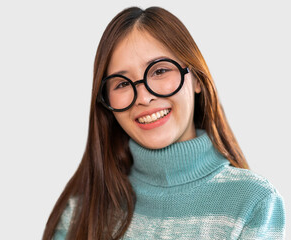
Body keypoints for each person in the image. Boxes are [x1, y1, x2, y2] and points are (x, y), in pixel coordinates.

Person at [42, 6, 285, 240]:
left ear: (197, 79)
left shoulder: (253, 203)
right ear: (106, 102)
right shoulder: (81, 209)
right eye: (123, 84)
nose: (144, 97)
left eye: (159, 71)